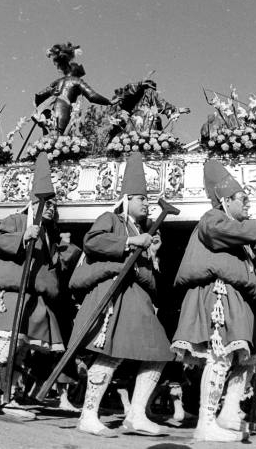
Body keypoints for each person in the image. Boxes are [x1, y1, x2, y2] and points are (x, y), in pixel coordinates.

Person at [69, 152, 173, 437]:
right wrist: (130, 241)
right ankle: (88, 415)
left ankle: (136, 415)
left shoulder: (145, 232)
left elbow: (150, 277)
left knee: (158, 353)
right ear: (127, 199)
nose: (147, 203)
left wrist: (153, 253)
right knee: (109, 354)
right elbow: (92, 242)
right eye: (142, 199)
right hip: (117, 298)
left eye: (148, 199)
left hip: (139, 300)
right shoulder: (111, 219)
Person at [0, 153, 81, 418]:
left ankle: (7, 397)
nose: (51, 208)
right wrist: (23, 237)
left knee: (19, 352)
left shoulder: (50, 234)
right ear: (34, 202)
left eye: (54, 204)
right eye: (47, 203)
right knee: (4, 347)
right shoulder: (16, 220)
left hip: (33, 301)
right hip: (10, 297)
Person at [171, 159, 256, 442]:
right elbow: (217, 233)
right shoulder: (212, 217)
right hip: (219, 293)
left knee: (245, 358)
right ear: (226, 200)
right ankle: (205, 423)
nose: (247, 204)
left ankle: (228, 412)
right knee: (220, 357)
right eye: (242, 199)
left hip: (238, 296)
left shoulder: (239, 232)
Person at [34, 42, 113, 135]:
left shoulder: (57, 82)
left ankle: (45, 123)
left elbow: (38, 97)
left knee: (51, 136)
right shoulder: (76, 81)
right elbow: (92, 96)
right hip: (63, 110)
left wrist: (50, 94)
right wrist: (109, 102)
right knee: (58, 136)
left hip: (53, 111)